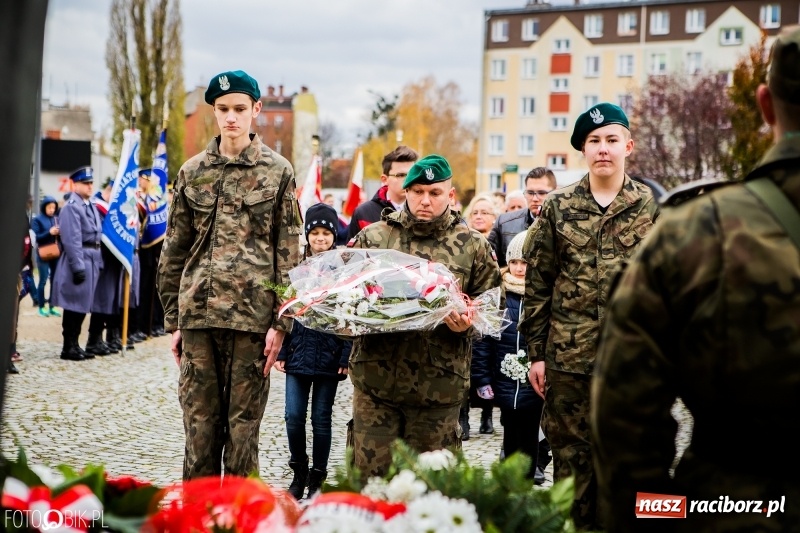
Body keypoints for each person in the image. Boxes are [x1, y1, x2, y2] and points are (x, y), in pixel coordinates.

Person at [591, 26, 800, 532]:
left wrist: (655, 517)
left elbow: (625, 421)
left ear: (765, 105)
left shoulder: (696, 231)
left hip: (739, 511)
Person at [519, 103, 659, 530]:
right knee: (571, 468)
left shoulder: (650, 206)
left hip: (630, 363)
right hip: (568, 363)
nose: (603, 149)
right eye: (594, 141)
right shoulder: (558, 206)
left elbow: (663, 287)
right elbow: (538, 285)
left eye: (612, 140)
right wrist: (537, 355)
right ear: (583, 149)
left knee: (629, 464)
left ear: (628, 146)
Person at [158, 70, 302, 480]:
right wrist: (174, 321)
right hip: (199, 320)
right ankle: (198, 512)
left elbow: (289, 253)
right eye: (223, 109)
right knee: (199, 433)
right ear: (214, 112)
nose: (231, 117)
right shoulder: (192, 172)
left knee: (243, 437)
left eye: (240, 108)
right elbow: (174, 250)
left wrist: (281, 323)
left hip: (251, 323)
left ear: (256, 109)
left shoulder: (278, 172)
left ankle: (239, 513)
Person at [347, 154, 501, 479]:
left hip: (438, 392)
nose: (425, 200)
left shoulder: (472, 246)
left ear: (451, 195)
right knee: (371, 487)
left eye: (434, 192)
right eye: (417, 191)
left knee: (432, 491)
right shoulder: (374, 239)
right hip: (376, 388)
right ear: (405, 191)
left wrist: (467, 325)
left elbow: (491, 310)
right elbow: (345, 301)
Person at [275, 203, 352, 500]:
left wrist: (345, 353)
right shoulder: (296, 267)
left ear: (334, 235)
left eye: (326, 233)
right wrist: (282, 350)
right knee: (293, 416)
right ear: (307, 234)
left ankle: (318, 476)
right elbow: (285, 311)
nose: (320, 238)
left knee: (321, 418)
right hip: (298, 350)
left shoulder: (344, 268)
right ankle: (299, 471)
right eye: (315, 232)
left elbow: (351, 314)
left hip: (330, 354)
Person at [472, 231, 545, 483]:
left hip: (532, 378)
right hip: (503, 377)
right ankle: (509, 475)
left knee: (531, 428)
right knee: (510, 427)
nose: (519, 268)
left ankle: (529, 474)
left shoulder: (541, 295)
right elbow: (484, 339)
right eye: (514, 262)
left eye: (525, 262)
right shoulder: (499, 294)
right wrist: (482, 378)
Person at [51, 166, 104, 362]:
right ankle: (68, 346)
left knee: (83, 305)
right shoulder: (72, 207)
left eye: (91, 183)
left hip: (92, 258)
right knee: (73, 304)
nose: (90, 186)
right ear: (75, 185)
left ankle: (75, 344)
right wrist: (78, 266)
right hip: (79, 258)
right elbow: (71, 240)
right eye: (85, 183)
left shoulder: (89, 205)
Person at [489, 167, 557, 268]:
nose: (535, 198)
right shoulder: (504, 223)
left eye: (541, 193)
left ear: (555, 193)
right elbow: (489, 265)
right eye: (530, 193)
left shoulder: (566, 224)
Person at [346, 145, 418, 239]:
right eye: (400, 175)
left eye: (411, 175)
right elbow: (352, 248)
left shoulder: (425, 210)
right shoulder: (363, 213)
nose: (408, 180)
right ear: (384, 179)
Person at [30, 196, 62, 318]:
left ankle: (52, 306)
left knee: (54, 280)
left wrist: (60, 233)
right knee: (43, 280)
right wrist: (49, 232)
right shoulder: (37, 220)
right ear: (44, 207)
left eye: (54, 207)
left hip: (56, 252)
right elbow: (36, 237)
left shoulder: (56, 219)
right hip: (43, 253)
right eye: (49, 207)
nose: (52, 210)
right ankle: (41, 306)